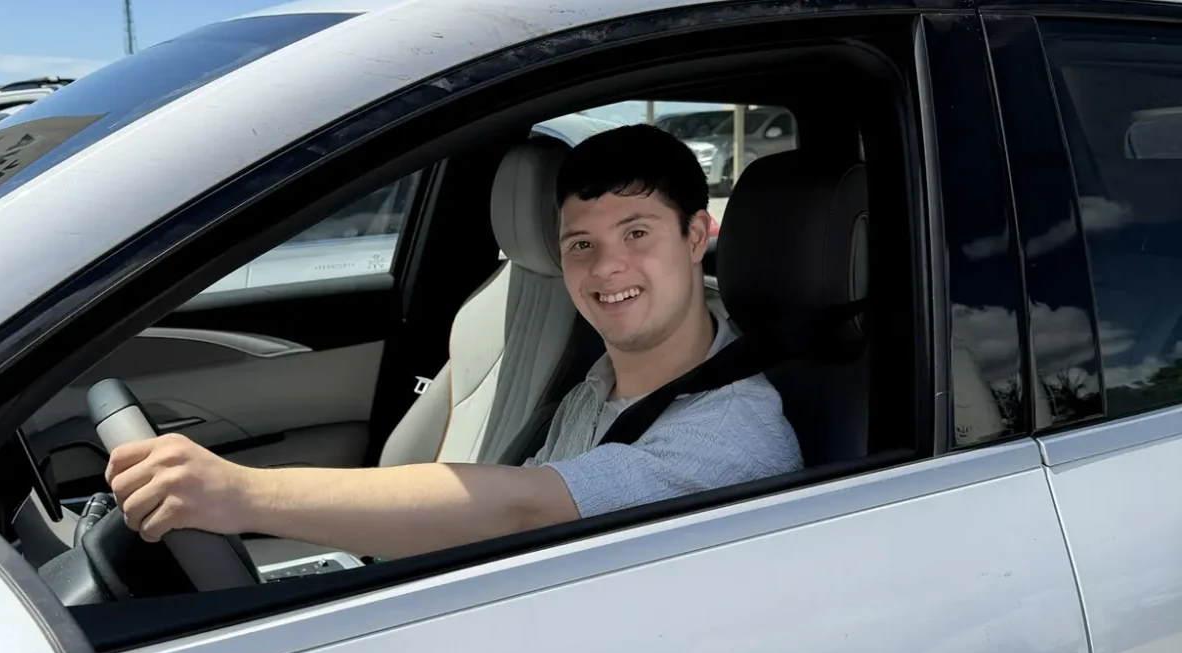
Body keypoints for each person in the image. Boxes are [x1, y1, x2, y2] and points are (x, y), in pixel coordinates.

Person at [104, 124, 803, 560]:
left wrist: (243, 492)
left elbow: (527, 505)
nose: (606, 267)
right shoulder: (602, 380)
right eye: (580, 244)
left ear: (695, 238)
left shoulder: (732, 436)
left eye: (638, 234)